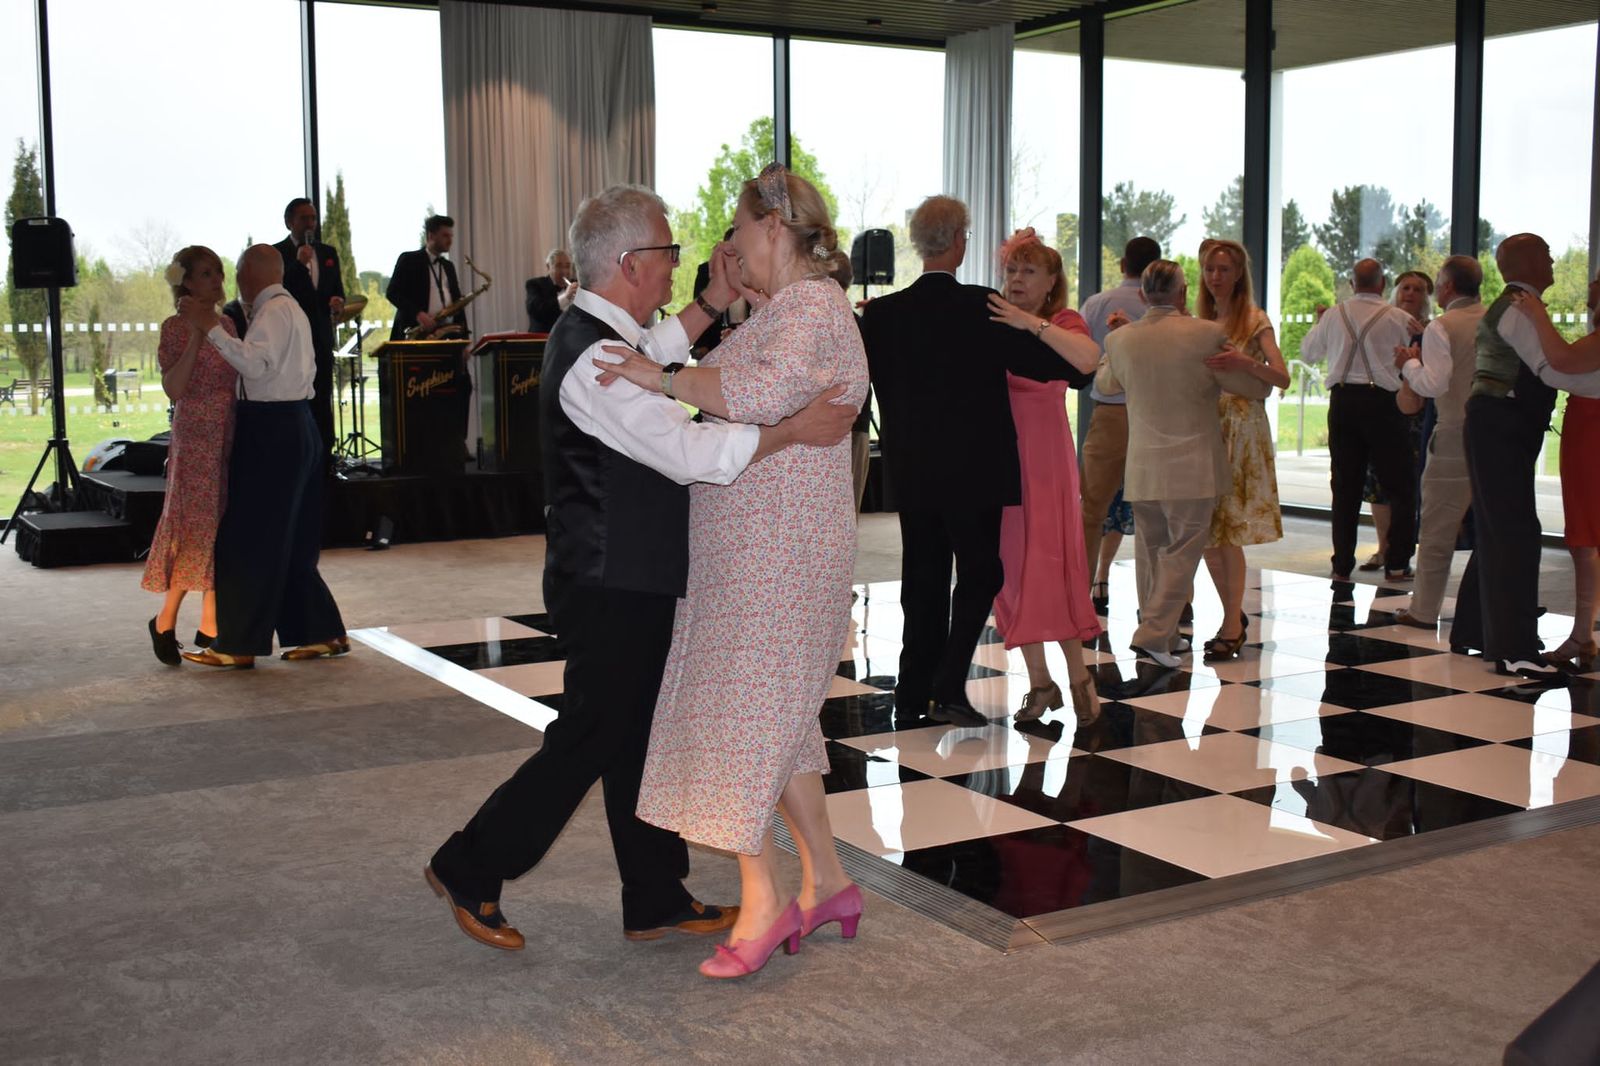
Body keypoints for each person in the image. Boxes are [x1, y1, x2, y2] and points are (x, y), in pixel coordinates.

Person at [425, 183, 858, 964]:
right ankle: (471, 863)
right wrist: (791, 431)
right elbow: (690, 451)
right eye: (668, 251)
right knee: (594, 733)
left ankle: (655, 894)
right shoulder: (593, 357)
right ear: (630, 263)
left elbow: (653, 352)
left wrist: (709, 305)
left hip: (630, 570)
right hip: (609, 580)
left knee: (636, 732)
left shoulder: (604, 337)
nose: (678, 263)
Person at [591, 165, 868, 980]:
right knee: (776, 720)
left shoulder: (811, 307)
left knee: (740, 720)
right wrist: (725, 305)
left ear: (774, 225)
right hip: (756, 550)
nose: (731, 243)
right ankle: (829, 882)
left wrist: (659, 377)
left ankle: (766, 900)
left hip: (775, 554)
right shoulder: (788, 309)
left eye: (741, 228)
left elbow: (754, 393)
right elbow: (744, 388)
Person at [860, 195, 1091, 728]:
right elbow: (1072, 371)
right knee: (981, 573)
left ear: (918, 244)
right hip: (976, 473)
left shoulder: (883, 315)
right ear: (960, 243)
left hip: (912, 471)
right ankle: (946, 687)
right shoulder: (981, 306)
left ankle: (911, 694)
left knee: (922, 579)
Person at [177, 245, 349, 668]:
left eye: (236, 271)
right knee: (291, 543)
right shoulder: (290, 309)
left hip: (272, 428)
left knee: (246, 539)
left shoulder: (272, 311)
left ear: (250, 273)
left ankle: (237, 645)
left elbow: (254, 366)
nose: (232, 280)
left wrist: (210, 328)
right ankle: (321, 632)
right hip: (296, 423)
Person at [1095, 261, 1271, 668]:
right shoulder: (1206, 335)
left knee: (1151, 551)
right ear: (1182, 293)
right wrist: (1250, 368)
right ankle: (1154, 634)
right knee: (1182, 551)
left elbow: (1105, 384)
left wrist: (1112, 351)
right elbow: (1253, 387)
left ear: (1143, 295)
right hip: (1193, 465)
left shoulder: (1120, 340)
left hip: (1143, 464)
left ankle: (1165, 634)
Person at [1450, 234, 1600, 677]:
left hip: (1495, 425)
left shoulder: (1515, 305)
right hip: (1501, 425)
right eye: (1548, 255)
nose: (1553, 262)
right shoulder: (1519, 308)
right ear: (1529, 262)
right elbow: (1551, 368)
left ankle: (1474, 630)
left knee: (1499, 528)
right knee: (1515, 533)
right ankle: (1514, 649)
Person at [983, 230, 1103, 721]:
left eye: (1029, 271)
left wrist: (1029, 322)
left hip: (1046, 460)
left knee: (1052, 565)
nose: (1016, 278)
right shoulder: (991, 320)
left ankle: (1078, 675)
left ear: (1052, 280)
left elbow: (1089, 360)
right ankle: (1040, 681)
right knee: (1009, 568)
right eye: (1012, 269)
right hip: (999, 456)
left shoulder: (1064, 322)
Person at [1494, 263, 1600, 670]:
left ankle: (1582, 634)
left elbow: (1561, 362)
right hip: (1586, 434)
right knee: (1584, 538)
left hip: (1592, 438)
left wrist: (1537, 315)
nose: (1591, 284)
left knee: (1587, 537)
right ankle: (1583, 633)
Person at [141, 246, 239, 664]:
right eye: (205, 274)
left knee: (221, 530)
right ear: (186, 283)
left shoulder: (229, 323)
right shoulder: (174, 328)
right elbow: (175, 388)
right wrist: (198, 333)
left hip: (229, 434)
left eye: (218, 272)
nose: (217, 280)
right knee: (196, 530)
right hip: (195, 438)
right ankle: (169, 620)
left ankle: (209, 622)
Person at [1194, 239, 1288, 660]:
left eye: (1224, 269)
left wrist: (1244, 362)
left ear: (1238, 274)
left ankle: (1232, 622)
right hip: (1205, 424)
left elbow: (1281, 376)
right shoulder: (1200, 319)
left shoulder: (1254, 319)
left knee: (1229, 529)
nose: (1216, 276)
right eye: (1210, 269)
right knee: (1207, 532)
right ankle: (1232, 614)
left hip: (1242, 425)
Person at [1299, 259, 1419, 581]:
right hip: (1384, 404)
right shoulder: (1399, 317)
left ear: (1352, 285)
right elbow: (1418, 350)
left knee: (1344, 486)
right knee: (1400, 486)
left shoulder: (1333, 315)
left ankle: (1342, 563)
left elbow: (1308, 353)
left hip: (1343, 403)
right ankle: (1397, 563)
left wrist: (1321, 324)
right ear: (1383, 284)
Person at [1392, 256, 1487, 632]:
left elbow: (1434, 384)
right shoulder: (1495, 320)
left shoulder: (1443, 326)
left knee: (1437, 527)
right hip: (1495, 433)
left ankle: (1424, 609)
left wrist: (1408, 364)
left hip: (1454, 432)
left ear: (1446, 287)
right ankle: (1493, 610)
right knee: (1495, 526)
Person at [1077, 236, 1161, 611]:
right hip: (1155, 415)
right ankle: (1162, 602)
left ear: (1124, 264)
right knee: (1156, 512)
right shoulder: (1167, 310)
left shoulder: (1098, 303)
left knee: (1092, 510)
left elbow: (1081, 354)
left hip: (1110, 412)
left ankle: (1079, 596)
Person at [1360, 269, 1433, 571]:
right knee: (1378, 483)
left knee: (1411, 484)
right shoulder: (1383, 323)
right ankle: (1383, 547)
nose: (1410, 293)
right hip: (1382, 406)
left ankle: (1405, 551)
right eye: (1405, 288)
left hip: (1416, 414)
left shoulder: (1432, 330)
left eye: (1418, 289)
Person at [274, 198, 344, 465]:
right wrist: (297, 263)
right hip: (290, 338)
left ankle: (325, 455)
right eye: (304, 218)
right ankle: (295, 454)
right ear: (289, 222)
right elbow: (277, 289)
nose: (310, 224)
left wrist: (337, 301)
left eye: (313, 218)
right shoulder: (277, 253)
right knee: (295, 395)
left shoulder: (327, 253)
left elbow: (337, 290)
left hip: (321, 338)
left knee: (322, 394)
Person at [387, 215, 466, 341]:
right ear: (431, 236)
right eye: (445, 236)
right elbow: (392, 293)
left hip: (447, 334)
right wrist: (418, 314)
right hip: (416, 334)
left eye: (451, 236)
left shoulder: (448, 266)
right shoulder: (409, 260)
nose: (450, 240)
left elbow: (457, 302)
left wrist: (464, 339)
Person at [525, 247, 577, 332]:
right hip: (543, 338)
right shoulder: (535, 285)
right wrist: (565, 297)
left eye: (567, 266)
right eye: (559, 266)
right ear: (548, 267)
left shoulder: (577, 284)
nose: (564, 271)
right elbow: (536, 311)